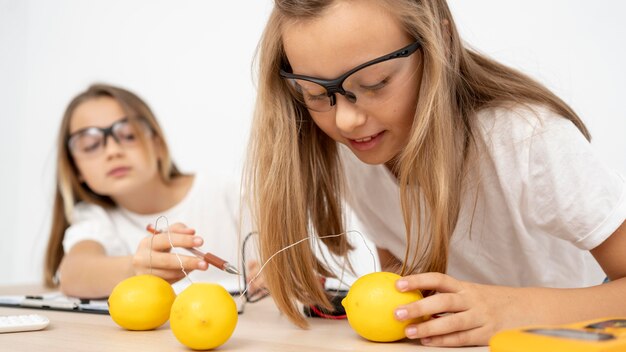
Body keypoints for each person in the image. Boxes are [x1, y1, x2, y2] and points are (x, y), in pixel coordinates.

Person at [244, 0, 626, 346]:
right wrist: (341, 297)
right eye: (315, 93)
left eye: (375, 83)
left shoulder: (527, 138)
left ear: (439, 41)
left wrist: (513, 310)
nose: (346, 119)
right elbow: (404, 274)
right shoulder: (356, 148)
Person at [44, 83, 249, 299]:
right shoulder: (94, 218)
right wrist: (135, 269)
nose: (113, 151)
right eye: (90, 145)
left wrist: (275, 276)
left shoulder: (229, 192)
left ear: (158, 144)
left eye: (129, 135)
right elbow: (74, 275)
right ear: (76, 170)